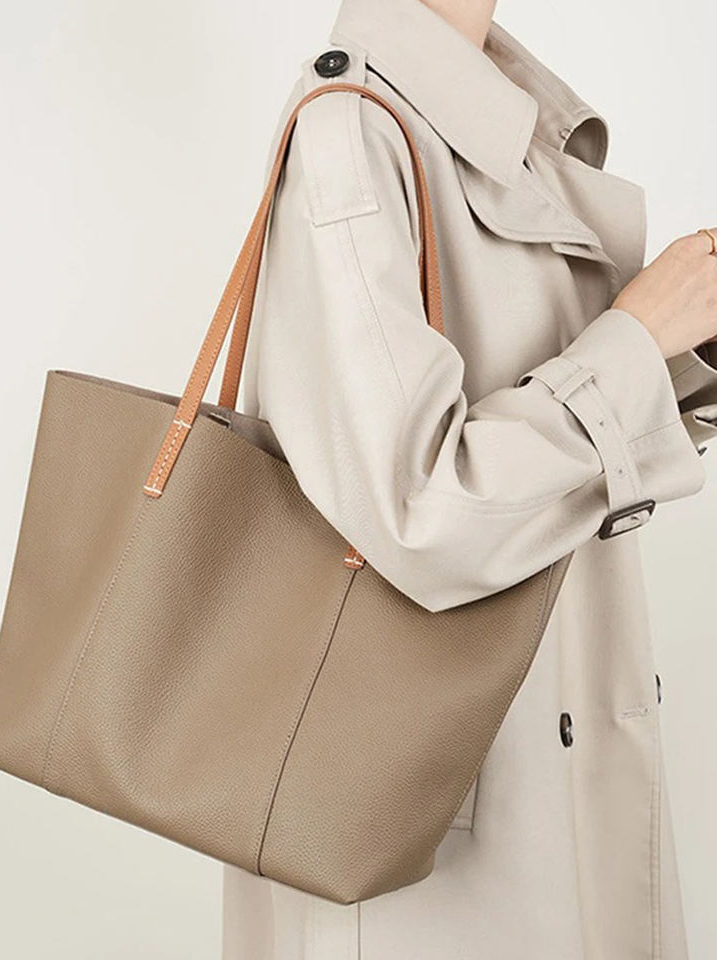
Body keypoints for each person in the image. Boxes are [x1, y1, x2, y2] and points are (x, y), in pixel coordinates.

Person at [221, 0, 717, 957]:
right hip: (432, 813)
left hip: (539, 742)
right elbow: (420, 508)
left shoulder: (498, 124)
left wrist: (680, 349)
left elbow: (552, 434)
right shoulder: (353, 130)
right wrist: (635, 339)